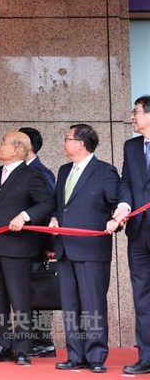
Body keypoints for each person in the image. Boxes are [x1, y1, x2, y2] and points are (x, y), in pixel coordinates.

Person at [0, 131, 54, 366]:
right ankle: (2, 344)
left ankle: (23, 348)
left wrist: (24, 216)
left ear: (18, 149)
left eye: (3, 143)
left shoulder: (32, 175)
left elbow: (47, 203)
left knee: (19, 299)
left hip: (18, 247)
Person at [47, 124, 117, 374]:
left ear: (81, 143)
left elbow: (116, 205)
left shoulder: (105, 171)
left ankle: (96, 355)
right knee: (70, 305)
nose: (64, 143)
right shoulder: (64, 170)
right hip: (65, 248)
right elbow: (59, 206)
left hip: (92, 250)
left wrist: (114, 221)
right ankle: (75, 355)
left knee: (93, 305)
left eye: (67, 139)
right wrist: (54, 218)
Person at [113, 95, 150, 375]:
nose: (132, 117)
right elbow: (126, 182)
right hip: (138, 232)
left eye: (136, 112)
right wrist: (123, 207)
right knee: (142, 296)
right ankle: (146, 356)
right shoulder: (132, 146)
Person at [18, 126, 58, 359]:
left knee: (38, 293)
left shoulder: (40, 172)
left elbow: (49, 208)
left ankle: (43, 340)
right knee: (28, 292)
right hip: (24, 244)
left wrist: (50, 246)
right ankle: (34, 339)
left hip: (37, 243)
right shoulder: (20, 171)